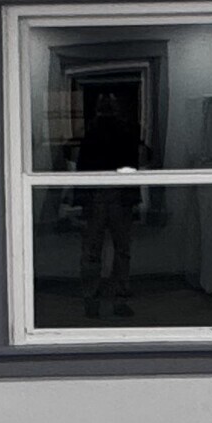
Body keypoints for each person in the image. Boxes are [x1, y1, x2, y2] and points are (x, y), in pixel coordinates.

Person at [75, 88, 140, 318]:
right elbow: (132, 166)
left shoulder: (91, 132)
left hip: (98, 195)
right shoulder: (125, 131)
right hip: (117, 196)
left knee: (93, 252)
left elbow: (82, 168)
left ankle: (92, 300)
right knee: (121, 251)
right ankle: (118, 300)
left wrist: (82, 200)